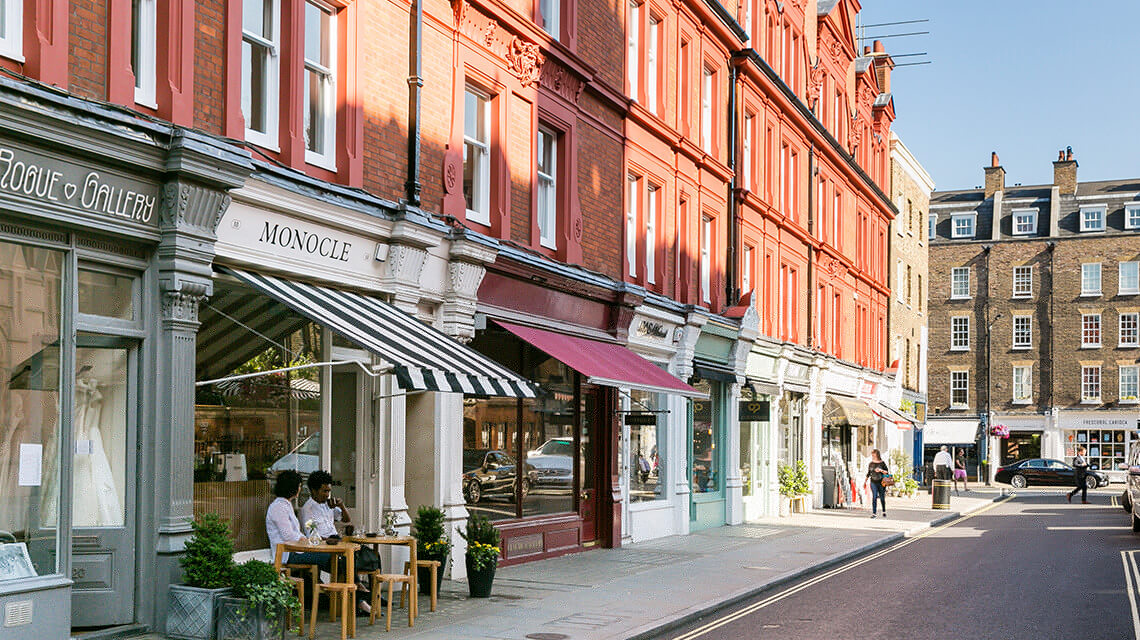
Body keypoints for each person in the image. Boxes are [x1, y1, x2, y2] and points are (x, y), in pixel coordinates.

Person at [267, 470, 371, 615]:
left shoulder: (287, 505)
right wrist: (306, 539)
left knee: (354, 557)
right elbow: (289, 535)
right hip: (289, 554)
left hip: (301, 549)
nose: (299, 489)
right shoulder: (281, 507)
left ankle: (357, 598)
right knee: (337, 559)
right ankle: (357, 599)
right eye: (298, 486)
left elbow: (344, 520)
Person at [865, 449, 889, 518]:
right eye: (872, 454)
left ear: (877, 455)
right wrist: (865, 481)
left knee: (882, 497)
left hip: (881, 482)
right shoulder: (871, 463)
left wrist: (880, 470)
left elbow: (887, 472)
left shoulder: (882, 463)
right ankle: (874, 513)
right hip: (873, 482)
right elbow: (869, 473)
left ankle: (884, 511)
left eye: (874, 454)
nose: (872, 456)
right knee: (874, 497)